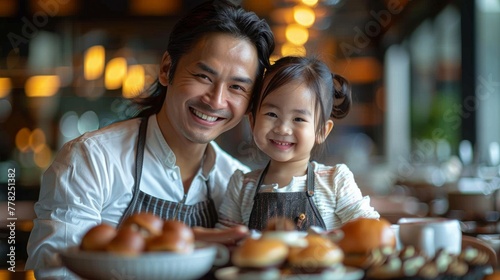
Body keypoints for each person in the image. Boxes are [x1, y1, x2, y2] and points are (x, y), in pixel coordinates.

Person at [25, 0, 275, 277]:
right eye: (204, 76)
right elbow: (56, 270)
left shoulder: (236, 182)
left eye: (237, 87)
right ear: (167, 69)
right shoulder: (92, 158)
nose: (216, 100)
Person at [216, 56, 379, 232]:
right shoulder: (241, 186)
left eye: (299, 119)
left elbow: (370, 230)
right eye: (272, 114)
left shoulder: (335, 181)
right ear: (253, 121)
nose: (283, 129)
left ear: (322, 131)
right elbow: (224, 240)